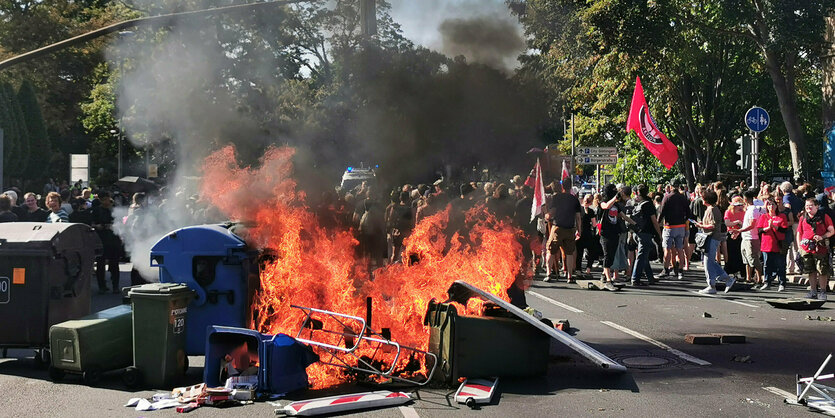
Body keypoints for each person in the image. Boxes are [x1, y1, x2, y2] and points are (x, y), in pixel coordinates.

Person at [695, 190, 735, 294]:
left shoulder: (712, 209)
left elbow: (713, 226)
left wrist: (701, 226)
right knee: (711, 261)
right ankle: (725, 279)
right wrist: (702, 223)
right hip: (711, 237)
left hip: (712, 237)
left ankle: (712, 285)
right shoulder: (711, 208)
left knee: (708, 263)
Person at [544, 180, 582, 283]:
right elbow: (578, 217)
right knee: (569, 253)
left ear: (562, 187)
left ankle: (548, 274)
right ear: (571, 187)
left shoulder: (557, 198)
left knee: (551, 250)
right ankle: (569, 276)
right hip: (570, 228)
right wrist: (579, 230)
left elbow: (552, 212)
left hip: (558, 228)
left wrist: (547, 216)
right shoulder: (574, 200)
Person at [796, 198, 833, 300]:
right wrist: (799, 247)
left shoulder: (823, 217)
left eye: (811, 205)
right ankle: (813, 291)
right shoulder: (803, 217)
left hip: (820, 248)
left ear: (817, 206)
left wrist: (822, 237)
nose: (808, 207)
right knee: (810, 270)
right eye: (807, 205)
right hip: (806, 248)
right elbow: (799, 233)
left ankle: (822, 291)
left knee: (822, 270)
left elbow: (831, 230)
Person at [658, 181, 693, 279]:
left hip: (669, 226)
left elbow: (662, 212)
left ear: (671, 186)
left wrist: (658, 222)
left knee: (667, 249)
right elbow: (688, 213)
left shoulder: (667, 197)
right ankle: (680, 270)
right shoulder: (683, 198)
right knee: (680, 249)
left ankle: (666, 269)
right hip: (680, 226)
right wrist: (683, 220)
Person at [630, 185, 662, 286]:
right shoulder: (648, 204)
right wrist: (659, 234)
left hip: (637, 232)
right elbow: (654, 221)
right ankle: (635, 279)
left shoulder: (638, 203)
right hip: (646, 233)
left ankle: (650, 277)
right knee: (641, 256)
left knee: (644, 256)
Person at [91, 191, 122, 293]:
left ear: (109, 198)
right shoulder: (97, 210)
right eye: (102, 200)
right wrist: (97, 226)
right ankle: (102, 286)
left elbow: (122, 222)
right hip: (101, 240)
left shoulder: (115, 209)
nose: (105, 202)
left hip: (114, 239)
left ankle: (115, 286)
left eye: (106, 199)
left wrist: (114, 226)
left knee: (114, 264)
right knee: (100, 264)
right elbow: (92, 224)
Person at [757, 197, 789, 291]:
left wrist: (774, 226)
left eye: (773, 204)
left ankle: (782, 283)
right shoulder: (764, 216)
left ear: (776, 206)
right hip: (766, 245)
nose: (771, 206)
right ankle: (767, 282)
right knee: (767, 265)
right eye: (769, 204)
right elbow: (759, 230)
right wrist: (766, 228)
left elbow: (784, 229)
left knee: (780, 265)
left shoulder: (781, 216)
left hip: (777, 245)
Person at [738, 189, 765, 284]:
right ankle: (748, 277)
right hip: (745, 237)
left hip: (751, 238)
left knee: (753, 259)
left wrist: (740, 230)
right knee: (746, 259)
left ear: (745, 199)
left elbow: (752, 225)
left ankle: (759, 278)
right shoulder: (748, 209)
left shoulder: (753, 210)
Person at [723, 196, 746, 279]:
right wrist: (736, 222)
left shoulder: (743, 212)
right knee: (731, 254)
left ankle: (742, 271)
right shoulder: (728, 212)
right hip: (731, 234)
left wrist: (741, 224)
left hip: (740, 234)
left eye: (741, 205)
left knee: (740, 254)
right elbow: (727, 223)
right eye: (738, 205)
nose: (740, 207)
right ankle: (729, 271)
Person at [576, 194, 598, 274]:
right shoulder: (591, 211)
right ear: (591, 202)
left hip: (579, 232)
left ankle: (578, 269)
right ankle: (588, 269)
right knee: (591, 251)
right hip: (588, 233)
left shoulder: (579, 209)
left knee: (579, 252)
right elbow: (594, 224)